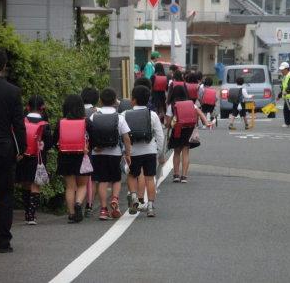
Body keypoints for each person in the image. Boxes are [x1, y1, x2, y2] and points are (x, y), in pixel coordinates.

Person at [0, 47, 26, 253]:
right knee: (4, 194)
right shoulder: (12, 91)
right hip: (3, 147)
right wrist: (20, 148)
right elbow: (18, 124)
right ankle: (3, 240)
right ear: (4, 66)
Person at [89, 88, 132, 220]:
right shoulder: (119, 117)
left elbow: (88, 135)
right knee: (116, 179)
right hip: (115, 153)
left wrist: (94, 147)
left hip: (97, 154)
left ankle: (103, 210)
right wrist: (128, 154)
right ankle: (114, 198)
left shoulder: (93, 116)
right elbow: (126, 138)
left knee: (102, 181)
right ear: (115, 101)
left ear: (100, 101)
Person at [123, 85, 164, 217]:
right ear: (148, 100)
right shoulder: (152, 115)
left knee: (132, 175)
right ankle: (150, 207)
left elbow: (122, 135)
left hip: (133, 152)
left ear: (133, 100)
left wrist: (125, 152)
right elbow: (160, 135)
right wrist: (158, 151)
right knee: (150, 179)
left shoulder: (125, 114)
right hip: (150, 151)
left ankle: (134, 198)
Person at [53, 95, 91, 224]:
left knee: (69, 187)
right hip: (82, 157)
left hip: (65, 157)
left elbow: (54, 141)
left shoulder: (61, 122)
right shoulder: (86, 122)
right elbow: (94, 138)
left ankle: (71, 214)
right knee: (82, 185)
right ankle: (79, 203)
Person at [16, 95, 53, 225]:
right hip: (38, 157)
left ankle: (27, 211)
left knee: (25, 183)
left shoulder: (22, 121)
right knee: (35, 185)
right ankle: (31, 216)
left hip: (22, 156)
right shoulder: (45, 124)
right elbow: (49, 143)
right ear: (43, 108)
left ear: (27, 107)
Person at [166, 85, 210, 183]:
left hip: (177, 130)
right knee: (185, 153)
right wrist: (206, 122)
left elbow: (168, 123)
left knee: (176, 152)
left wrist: (168, 132)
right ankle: (184, 176)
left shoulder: (171, 105)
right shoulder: (191, 104)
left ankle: (176, 175)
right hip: (188, 130)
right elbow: (200, 113)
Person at [81, 87, 100, 218]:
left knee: (79, 178)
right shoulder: (97, 112)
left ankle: (78, 203)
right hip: (92, 149)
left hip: (76, 148)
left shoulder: (76, 110)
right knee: (91, 178)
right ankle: (89, 204)